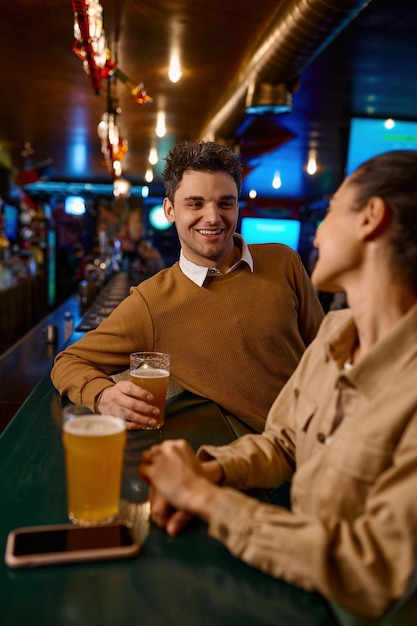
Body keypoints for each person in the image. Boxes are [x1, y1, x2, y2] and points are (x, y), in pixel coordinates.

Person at [139, 150, 417, 618]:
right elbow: (287, 441)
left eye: (329, 211)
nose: (319, 232)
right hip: (293, 589)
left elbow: (374, 570)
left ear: (371, 218)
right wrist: (210, 470)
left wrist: (206, 500)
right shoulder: (335, 334)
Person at [51, 140, 323, 432]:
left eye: (225, 203)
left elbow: (326, 351)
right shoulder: (152, 302)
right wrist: (102, 395)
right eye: (195, 203)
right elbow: (70, 360)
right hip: (262, 459)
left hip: (329, 436)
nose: (213, 217)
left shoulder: (283, 260)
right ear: (169, 210)